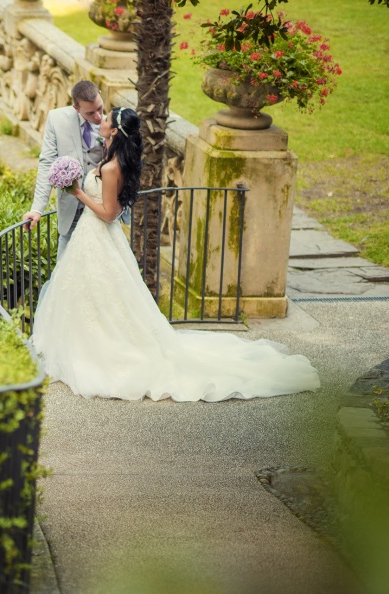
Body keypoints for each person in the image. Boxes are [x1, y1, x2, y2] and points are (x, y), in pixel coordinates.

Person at [29, 106, 320, 402]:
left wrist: (77, 192)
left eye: (105, 119)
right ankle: (82, 345)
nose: (100, 120)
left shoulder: (110, 167)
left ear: (114, 131)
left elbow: (108, 213)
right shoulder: (112, 159)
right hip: (94, 239)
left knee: (103, 296)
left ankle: (99, 353)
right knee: (94, 295)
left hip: (98, 235)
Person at [22, 80, 105, 263]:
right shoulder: (57, 119)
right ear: (76, 108)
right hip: (71, 209)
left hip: (101, 209)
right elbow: (47, 164)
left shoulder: (111, 122)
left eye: (100, 108)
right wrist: (37, 209)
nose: (98, 116)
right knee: (65, 270)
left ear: (100, 94)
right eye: (90, 113)